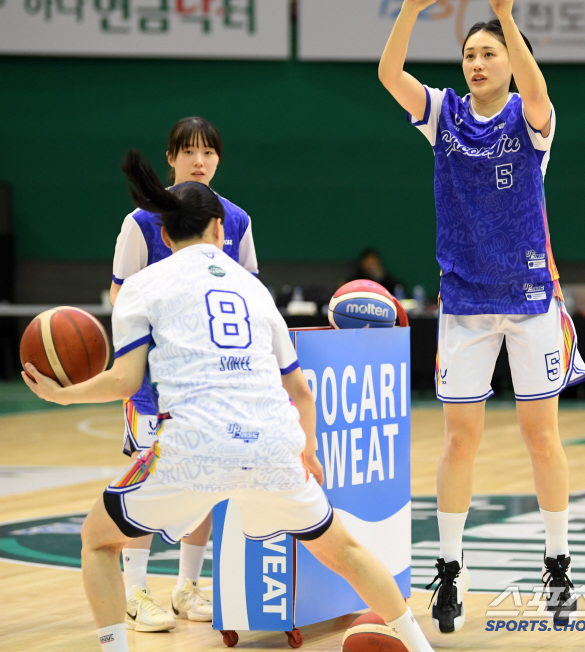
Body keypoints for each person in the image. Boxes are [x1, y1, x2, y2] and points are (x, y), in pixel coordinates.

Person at [22, 152, 436, 652]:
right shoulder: (256, 291)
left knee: (97, 540)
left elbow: (126, 381)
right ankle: (419, 645)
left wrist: (65, 395)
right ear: (221, 228)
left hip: (193, 448)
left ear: (165, 235)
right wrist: (307, 454)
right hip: (273, 446)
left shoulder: (140, 289)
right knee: (345, 550)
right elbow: (300, 391)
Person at [379, 0, 585, 632]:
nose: (476, 61)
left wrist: (505, 15)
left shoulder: (531, 119)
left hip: (529, 300)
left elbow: (537, 84)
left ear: (507, 56)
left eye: (488, 51)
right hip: (465, 303)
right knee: (458, 442)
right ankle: (450, 574)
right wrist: (412, 5)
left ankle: (557, 566)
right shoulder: (443, 115)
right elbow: (388, 75)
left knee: (541, 438)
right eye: (469, 53)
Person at [109, 117, 258, 631]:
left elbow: (245, 295)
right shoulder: (140, 222)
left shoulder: (235, 219)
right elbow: (121, 298)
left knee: (208, 481)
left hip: (211, 379)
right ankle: (134, 593)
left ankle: (187, 587)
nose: (200, 160)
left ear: (219, 159)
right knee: (145, 483)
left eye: (209, 152)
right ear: (170, 157)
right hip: (153, 381)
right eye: (189, 151)